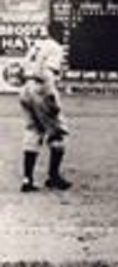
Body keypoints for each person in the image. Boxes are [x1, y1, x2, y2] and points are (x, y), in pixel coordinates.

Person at [19, 23, 72, 192]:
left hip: (26, 88)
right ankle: (53, 176)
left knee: (33, 131)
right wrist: (52, 99)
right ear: (60, 33)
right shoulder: (55, 47)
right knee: (58, 132)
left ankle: (27, 179)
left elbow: (21, 69)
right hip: (42, 89)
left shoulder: (37, 45)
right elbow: (48, 74)